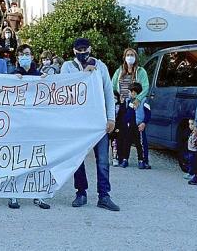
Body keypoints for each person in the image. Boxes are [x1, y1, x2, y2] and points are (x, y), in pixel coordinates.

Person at [61, 38, 120, 211]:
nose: (82, 52)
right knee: (78, 159)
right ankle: (81, 192)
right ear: (74, 51)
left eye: (85, 49)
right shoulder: (67, 66)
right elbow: (68, 88)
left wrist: (111, 118)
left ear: (90, 49)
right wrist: (86, 73)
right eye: (79, 50)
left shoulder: (101, 66)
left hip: (98, 121)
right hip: (78, 123)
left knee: (102, 160)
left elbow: (108, 92)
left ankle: (104, 195)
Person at [8, 43, 50, 210]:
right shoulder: (11, 75)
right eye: (22, 55)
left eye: (27, 54)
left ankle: (38, 194)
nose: (25, 57)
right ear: (18, 58)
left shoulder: (40, 75)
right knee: (16, 159)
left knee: (37, 159)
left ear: (32, 57)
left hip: (36, 124)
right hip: (18, 124)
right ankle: (13, 194)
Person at [116, 82, 151, 169]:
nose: (133, 94)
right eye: (131, 92)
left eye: (135, 92)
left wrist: (144, 123)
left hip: (139, 126)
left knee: (140, 144)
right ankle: (125, 159)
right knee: (126, 143)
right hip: (129, 126)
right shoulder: (128, 101)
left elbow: (148, 113)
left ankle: (142, 160)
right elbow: (124, 112)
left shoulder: (144, 101)